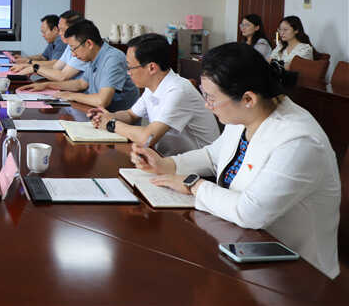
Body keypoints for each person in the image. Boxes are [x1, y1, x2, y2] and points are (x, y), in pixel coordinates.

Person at [134, 43, 340, 279]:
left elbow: (250, 212)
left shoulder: (298, 141)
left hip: (297, 273)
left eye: (211, 98)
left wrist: (193, 186)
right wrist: (166, 165)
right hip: (244, 247)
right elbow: (212, 156)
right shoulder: (246, 116)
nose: (206, 105)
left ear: (248, 98)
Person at [89, 33, 219, 156]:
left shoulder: (178, 91)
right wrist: (107, 116)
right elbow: (131, 115)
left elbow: (147, 138)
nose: (128, 73)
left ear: (151, 68)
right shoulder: (152, 86)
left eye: (130, 68)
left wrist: (111, 124)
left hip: (197, 166)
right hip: (167, 159)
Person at [19, 20, 139, 111]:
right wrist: (48, 85)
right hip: (96, 114)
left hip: (117, 121)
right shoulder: (92, 56)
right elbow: (81, 83)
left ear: (89, 44)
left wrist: (70, 95)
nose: (73, 54)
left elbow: (102, 100)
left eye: (73, 48)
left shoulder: (112, 58)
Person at [11, 10, 87, 81]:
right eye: (59, 29)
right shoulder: (69, 46)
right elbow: (56, 67)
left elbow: (62, 76)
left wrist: (33, 67)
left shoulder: (82, 48)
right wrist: (28, 66)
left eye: (62, 30)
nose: (59, 33)